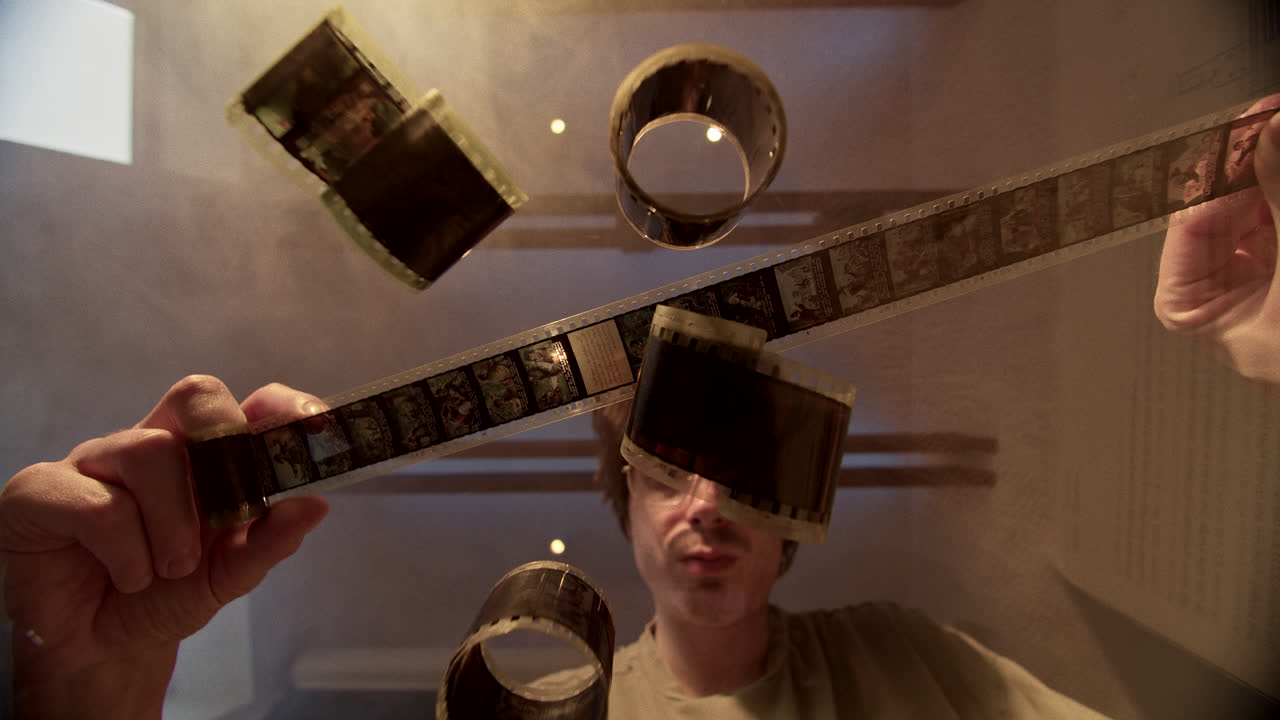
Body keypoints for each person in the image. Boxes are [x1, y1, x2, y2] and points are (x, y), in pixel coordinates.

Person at [4, 96, 1279, 718]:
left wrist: (1264, 339)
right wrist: (86, 698)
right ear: (620, 508)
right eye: (665, 469)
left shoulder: (908, 661)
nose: (705, 504)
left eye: (737, 469)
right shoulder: (546, 704)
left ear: (793, 513)